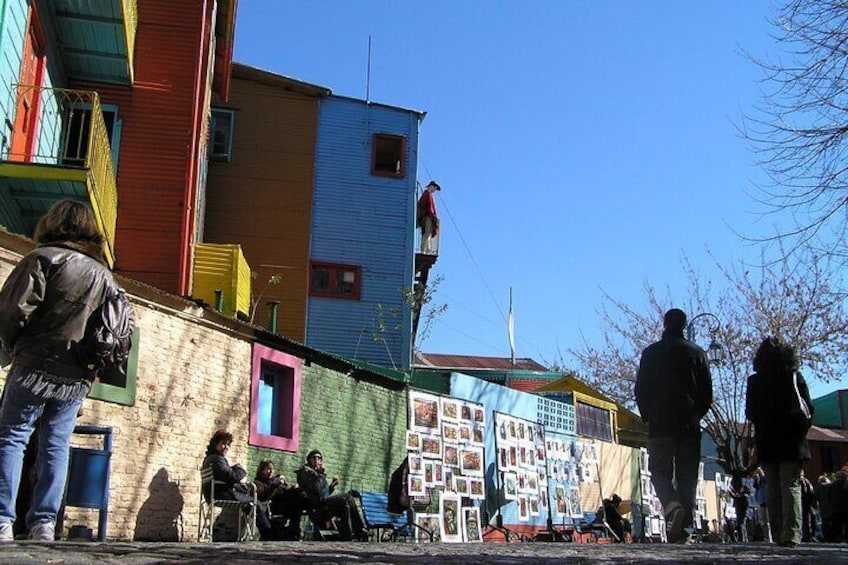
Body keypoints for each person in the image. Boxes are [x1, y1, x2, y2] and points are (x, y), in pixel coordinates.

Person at [0, 200, 133, 542]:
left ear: (53, 223)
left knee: (12, 437)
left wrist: (12, 345)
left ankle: (2, 519)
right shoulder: (105, 277)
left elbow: (13, 311)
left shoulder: (42, 259)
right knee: (55, 445)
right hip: (76, 375)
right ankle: (43, 523)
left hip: (33, 364)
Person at [635, 308, 713, 543]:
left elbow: (641, 389)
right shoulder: (697, 353)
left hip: (660, 425)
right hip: (688, 424)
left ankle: (671, 505)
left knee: (659, 472)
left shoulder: (651, 353)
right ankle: (683, 530)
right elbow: (706, 393)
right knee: (687, 478)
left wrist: (648, 414)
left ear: (664, 324)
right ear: (684, 325)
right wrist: (695, 414)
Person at [745, 336, 814, 548]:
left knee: (773, 486)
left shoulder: (754, 381)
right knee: (791, 485)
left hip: (768, 439)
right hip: (792, 439)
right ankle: (791, 535)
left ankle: (776, 532)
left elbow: (750, 412)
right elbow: (808, 409)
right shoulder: (794, 377)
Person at [295, 449, 368, 541]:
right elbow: (316, 491)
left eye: (319, 458)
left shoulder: (317, 474)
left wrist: (332, 486)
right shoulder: (306, 472)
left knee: (345, 506)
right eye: (314, 457)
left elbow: (323, 494)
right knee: (347, 497)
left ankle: (347, 536)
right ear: (309, 459)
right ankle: (360, 530)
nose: (317, 460)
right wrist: (321, 474)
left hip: (323, 504)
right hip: (316, 508)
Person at [201, 430, 255, 539]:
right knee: (254, 503)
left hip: (212, 494)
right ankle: (265, 532)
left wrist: (233, 469)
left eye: (228, 444)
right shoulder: (217, 460)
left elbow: (226, 475)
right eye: (223, 443)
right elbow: (233, 476)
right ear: (215, 444)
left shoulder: (210, 459)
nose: (226, 447)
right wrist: (240, 470)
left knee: (249, 499)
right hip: (222, 495)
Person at [416, 181, 440, 254]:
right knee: (426, 234)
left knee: (428, 234)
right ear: (431, 186)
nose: (435, 190)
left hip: (427, 217)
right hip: (427, 217)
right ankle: (424, 250)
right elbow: (429, 208)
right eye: (435, 188)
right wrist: (433, 216)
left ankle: (427, 250)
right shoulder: (427, 194)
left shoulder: (427, 194)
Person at [752, 466, 772, 542]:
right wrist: (756, 476)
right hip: (761, 501)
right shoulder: (758, 481)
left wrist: (761, 473)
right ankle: (767, 537)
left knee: (769, 521)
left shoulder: (765, 479)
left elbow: (766, 480)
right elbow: (755, 485)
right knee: (764, 522)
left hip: (767, 500)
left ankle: (772, 537)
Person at [800, 471, 818, 542]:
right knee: (808, 521)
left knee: (805, 521)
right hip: (806, 504)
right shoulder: (806, 481)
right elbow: (811, 493)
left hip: (803, 504)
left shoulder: (801, 482)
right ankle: (809, 536)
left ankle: (806, 536)